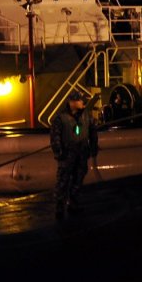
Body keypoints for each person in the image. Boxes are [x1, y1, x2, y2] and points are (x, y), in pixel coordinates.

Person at [49, 89, 99, 220]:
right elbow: (55, 137)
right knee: (62, 181)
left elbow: (93, 131)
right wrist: (59, 153)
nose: (83, 102)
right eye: (80, 100)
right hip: (67, 155)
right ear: (72, 102)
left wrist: (93, 147)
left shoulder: (86, 116)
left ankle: (73, 203)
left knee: (78, 179)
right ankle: (59, 208)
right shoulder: (61, 118)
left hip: (81, 154)